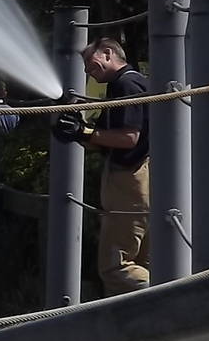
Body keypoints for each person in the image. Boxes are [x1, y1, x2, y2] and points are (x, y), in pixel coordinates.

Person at [52, 37, 151, 295]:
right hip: (138, 180)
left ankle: (179, 294)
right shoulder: (128, 82)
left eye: (90, 63)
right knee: (144, 260)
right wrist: (78, 133)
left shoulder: (126, 84)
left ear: (108, 53)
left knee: (115, 267)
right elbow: (111, 139)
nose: (87, 71)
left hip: (129, 182)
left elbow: (129, 138)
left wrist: (83, 133)